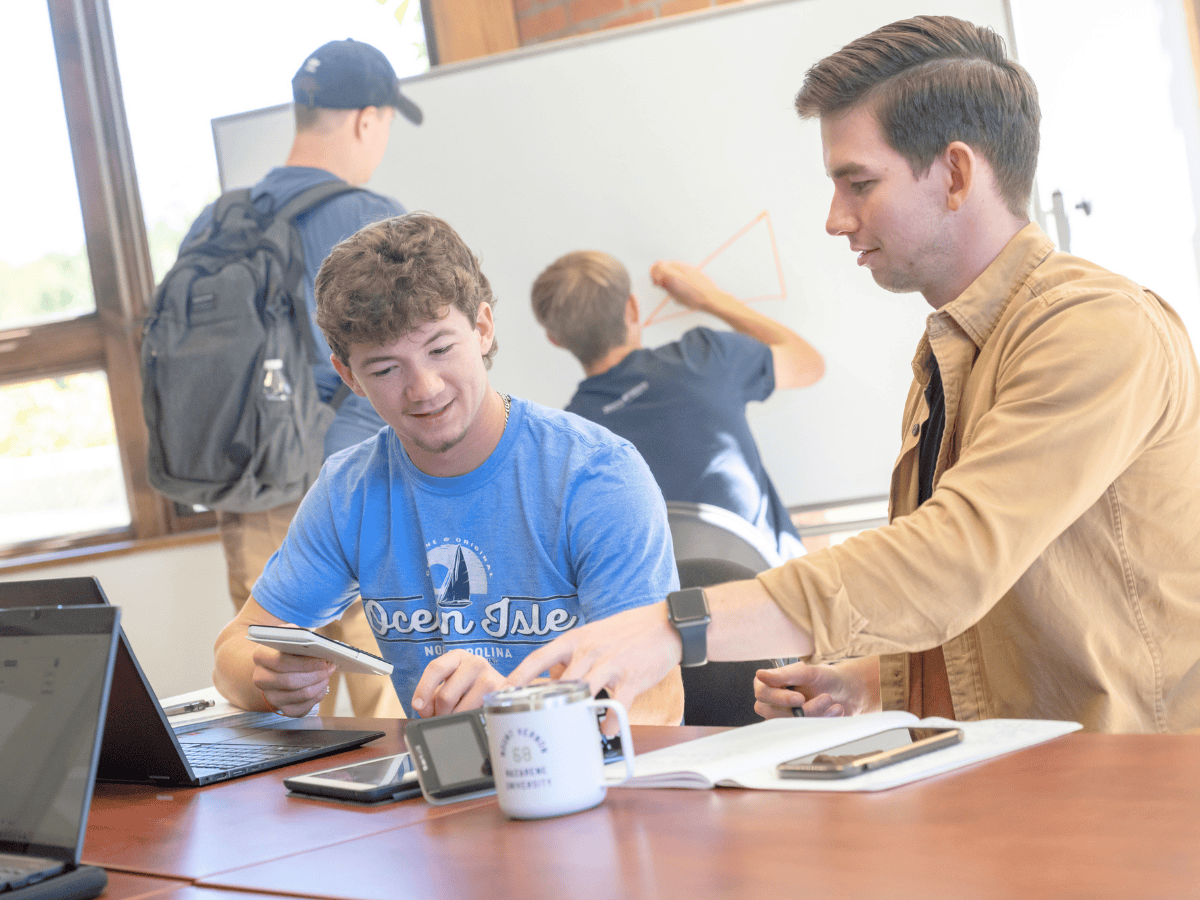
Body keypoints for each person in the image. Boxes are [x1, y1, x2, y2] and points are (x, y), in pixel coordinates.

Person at [507, 15, 1200, 734]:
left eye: (858, 183)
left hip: (1138, 792)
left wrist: (673, 624)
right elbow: (1006, 597)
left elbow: (953, 560)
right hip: (1028, 778)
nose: (837, 219)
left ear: (956, 174)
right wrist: (873, 680)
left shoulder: (1093, 329)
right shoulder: (954, 351)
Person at [212, 212, 683, 725]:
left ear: (482, 328)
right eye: (386, 369)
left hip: (582, 786)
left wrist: (512, 710)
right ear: (349, 375)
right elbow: (232, 652)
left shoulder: (595, 474)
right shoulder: (350, 491)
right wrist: (269, 676)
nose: (425, 389)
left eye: (440, 349)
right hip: (436, 788)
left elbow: (656, 701)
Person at [181, 40, 419, 717]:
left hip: (250, 489)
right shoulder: (371, 218)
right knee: (389, 709)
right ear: (367, 119)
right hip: (358, 486)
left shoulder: (216, 224)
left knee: (274, 690)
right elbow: (405, 365)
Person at [530, 252, 824, 561]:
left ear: (555, 339)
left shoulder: (566, 443)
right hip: (773, 588)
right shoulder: (705, 360)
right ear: (632, 307)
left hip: (665, 606)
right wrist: (710, 298)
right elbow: (809, 363)